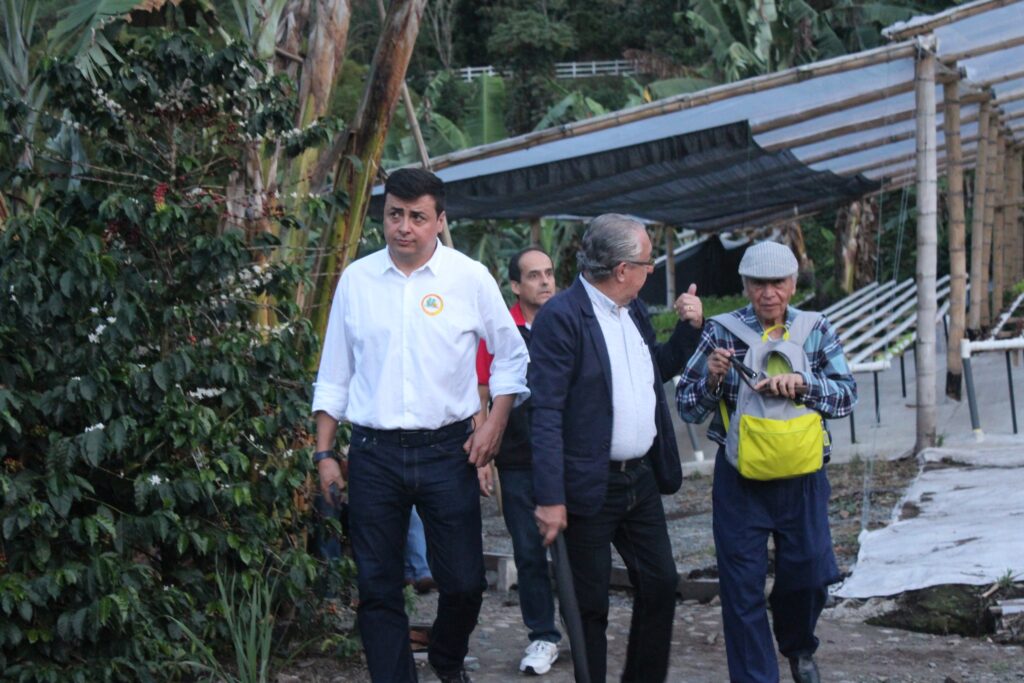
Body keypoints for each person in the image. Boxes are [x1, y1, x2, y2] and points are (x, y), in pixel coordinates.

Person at [311, 168, 529, 683]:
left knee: (464, 583)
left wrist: (494, 423)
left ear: (439, 220)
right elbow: (334, 373)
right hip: (373, 454)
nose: (403, 227)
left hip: (448, 451)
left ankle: (447, 657)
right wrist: (324, 454)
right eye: (394, 215)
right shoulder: (357, 281)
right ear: (383, 216)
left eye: (416, 217)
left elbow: (512, 358)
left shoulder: (469, 278)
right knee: (378, 586)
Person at [529, 214, 704, 683]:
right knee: (589, 607)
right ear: (623, 268)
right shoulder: (562, 318)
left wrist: (689, 330)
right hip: (588, 483)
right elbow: (543, 413)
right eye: (648, 263)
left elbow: (656, 370)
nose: (651, 271)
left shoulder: (633, 310)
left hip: (640, 478)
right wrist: (549, 498)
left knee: (662, 583)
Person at [676, 241, 856, 683]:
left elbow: (846, 395)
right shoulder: (721, 332)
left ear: (793, 284)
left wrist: (805, 384)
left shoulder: (815, 328)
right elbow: (687, 406)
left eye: (778, 283)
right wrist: (714, 378)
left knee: (812, 573)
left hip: (804, 476)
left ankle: (797, 645)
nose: (768, 293)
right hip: (740, 478)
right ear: (746, 286)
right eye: (759, 283)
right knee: (741, 590)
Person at [475, 247, 561, 675]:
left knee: (581, 549)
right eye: (533, 276)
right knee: (528, 550)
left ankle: (586, 630)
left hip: (569, 457)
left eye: (549, 274)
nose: (544, 282)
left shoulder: (569, 321)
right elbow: (482, 391)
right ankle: (542, 636)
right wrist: (482, 456)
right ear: (515, 285)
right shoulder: (500, 330)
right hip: (518, 458)